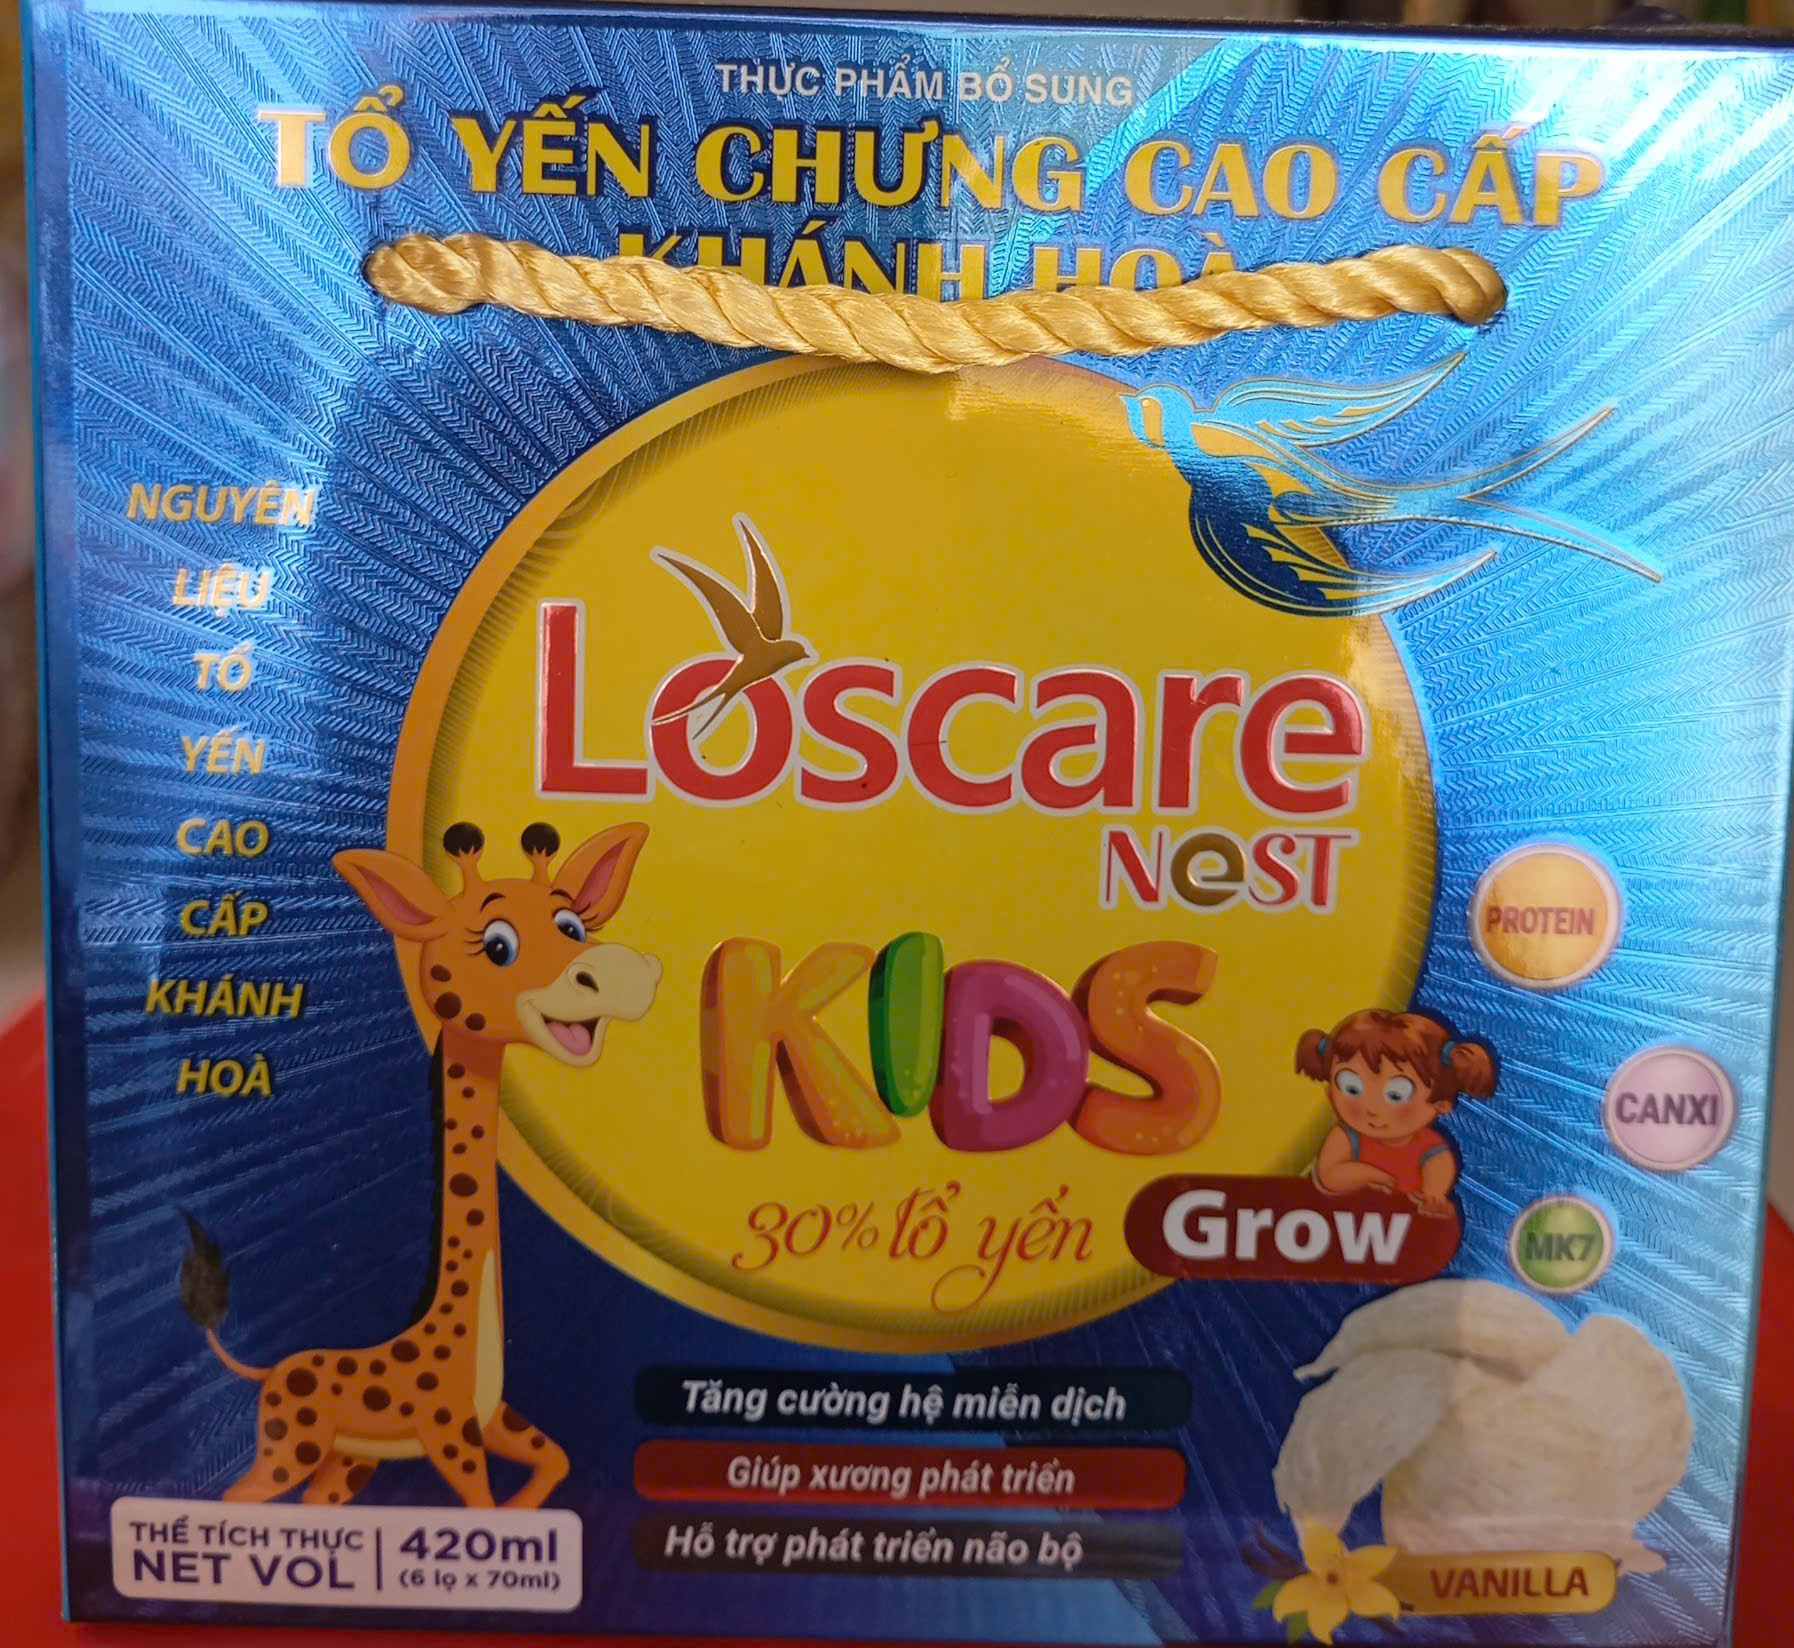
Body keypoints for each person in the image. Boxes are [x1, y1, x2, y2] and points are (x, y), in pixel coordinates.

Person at [1296, 1009, 1496, 1217]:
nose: (1371, 1108)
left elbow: (1437, 1176)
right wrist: (1370, 1176)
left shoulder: (1430, 1148)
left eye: (1396, 1094)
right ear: (1331, 1091)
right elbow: (1329, 1175)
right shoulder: (1346, 1137)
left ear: (1441, 1104)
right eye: (1351, 1087)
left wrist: (1433, 1197)